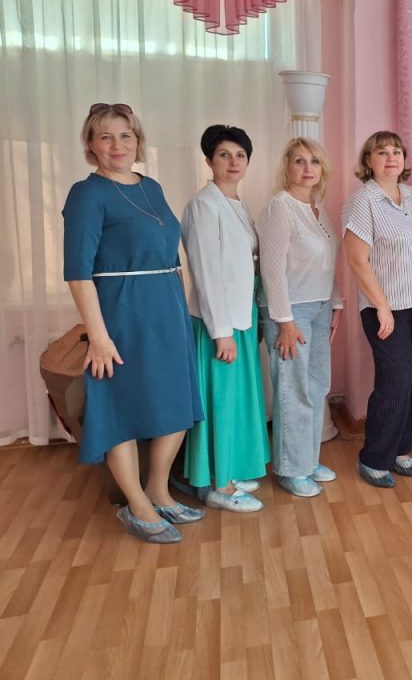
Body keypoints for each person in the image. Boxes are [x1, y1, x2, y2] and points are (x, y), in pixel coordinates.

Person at [63, 103, 204, 543]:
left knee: (176, 402)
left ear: (138, 141)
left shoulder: (152, 187)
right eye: (105, 136)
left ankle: (159, 490)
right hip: (121, 313)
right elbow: (77, 272)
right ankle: (136, 505)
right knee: (120, 408)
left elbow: (171, 254)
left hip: (167, 309)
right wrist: (98, 336)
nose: (117, 145)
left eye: (126, 135)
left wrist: (181, 312)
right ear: (91, 144)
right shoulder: (87, 194)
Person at [180, 125, 270, 512]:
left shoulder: (235, 203)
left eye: (240, 156)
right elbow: (205, 272)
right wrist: (221, 333)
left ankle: (226, 469)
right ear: (208, 160)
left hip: (240, 314)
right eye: (224, 155)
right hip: (219, 321)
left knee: (236, 401)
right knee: (220, 401)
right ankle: (219, 486)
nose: (233, 162)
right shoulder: (204, 205)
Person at [343, 131, 412, 488]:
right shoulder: (362, 201)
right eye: (382, 152)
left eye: (396, 151)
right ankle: (374, 458)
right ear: (369, 161)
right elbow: (357, 260)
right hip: (385, 308)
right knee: (395, 383)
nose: (391, 158)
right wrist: (381, 307)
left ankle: (401, 450)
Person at [257, 138, 343, 498]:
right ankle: (291, 469)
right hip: (290, 311)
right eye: (299, 161)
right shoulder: (280, 207)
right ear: (287, 167)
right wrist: (285, 321)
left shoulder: (317, 208)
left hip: (319, 307)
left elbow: (327, 262)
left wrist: (335, 303)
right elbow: (271, 269)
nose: (308, 168)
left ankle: (308, 460)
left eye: (314, 161)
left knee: (317, 386)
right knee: (293, 390)